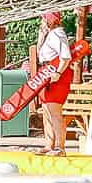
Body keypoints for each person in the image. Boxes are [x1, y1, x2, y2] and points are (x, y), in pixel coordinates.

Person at [31, 12, 76, 156]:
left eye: (43, 19)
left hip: (57, 74)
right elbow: (40, 54)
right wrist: (40, 36)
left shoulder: (58, 34)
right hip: (46, 72)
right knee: (46, 110)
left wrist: (58, 73)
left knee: (54, 110)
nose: (41, 22)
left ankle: (60, 147)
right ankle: (49, 144)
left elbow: (65, 56)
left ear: (49, 21)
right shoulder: (49, 35)